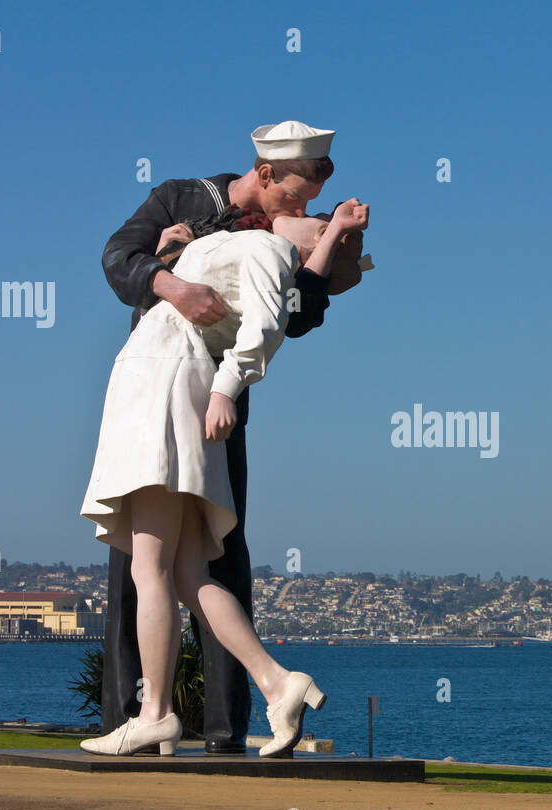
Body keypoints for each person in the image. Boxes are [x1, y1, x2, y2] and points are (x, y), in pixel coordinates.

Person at [95, 121, 358, 755]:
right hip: (190, 394)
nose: (306, 205)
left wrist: (326, 244)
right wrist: (172, 279)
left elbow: (293, 318)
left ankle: (182, 719)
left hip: (187, 395)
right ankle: (256, 688)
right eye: (299, 191)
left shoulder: (271, 241)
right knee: (171, 568)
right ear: (265, 175)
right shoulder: (183, 201)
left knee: (174, 562)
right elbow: (117, 259)